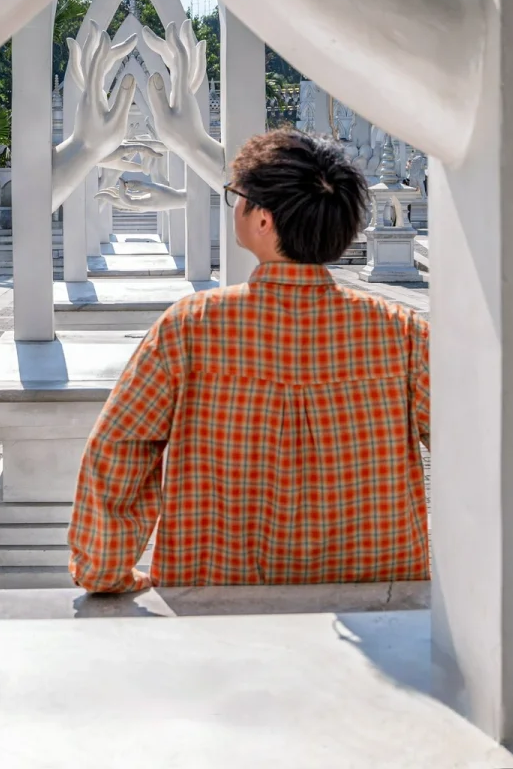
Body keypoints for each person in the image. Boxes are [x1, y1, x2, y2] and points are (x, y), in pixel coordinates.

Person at [68, 128, 430, 592]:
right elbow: (470, 450)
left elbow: (120, 450)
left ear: (263, 220)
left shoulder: (192, 326)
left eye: (236, 196)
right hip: (377, 595)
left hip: (217, 595)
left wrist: (105, 569)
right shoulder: (401, 332)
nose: (233, 205)